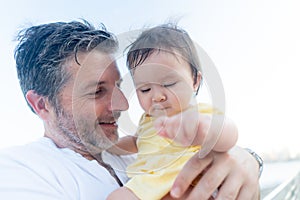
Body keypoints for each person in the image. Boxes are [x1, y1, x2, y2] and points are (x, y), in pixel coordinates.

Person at [0, 20, 262, 200]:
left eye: (120, 88)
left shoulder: (130, 154)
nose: (123, 106)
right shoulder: (19, 170)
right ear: (41, 105)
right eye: (97, 91)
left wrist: (248, 159)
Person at [107, 23, 239, 200]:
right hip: (150, 183)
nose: (157, 96)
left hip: (189, 179)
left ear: (195, 81)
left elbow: (229, 133)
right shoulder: (146, 120)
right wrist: (107, 146)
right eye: (145, 89)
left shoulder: (197, 114)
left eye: (169, 84)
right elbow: (134, 141)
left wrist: (202, 128)